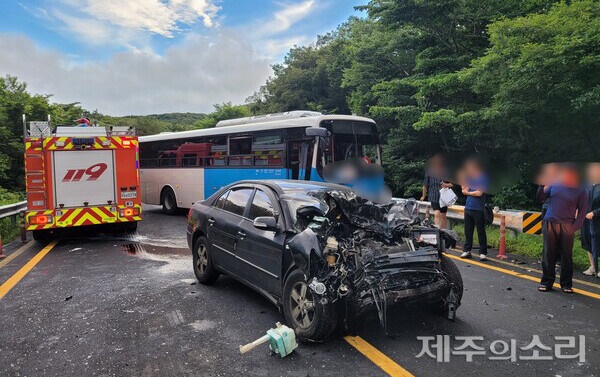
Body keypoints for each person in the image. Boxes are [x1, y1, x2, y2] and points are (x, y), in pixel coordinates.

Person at [538, 164, 588, 293]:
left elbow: (583, 211)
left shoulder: (581, 189)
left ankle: (566, 284)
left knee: (566, 256)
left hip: (567, 225)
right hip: (550, 222)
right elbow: (541, 198)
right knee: (548, 254)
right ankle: (546, 282)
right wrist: (543, 185)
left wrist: (575, 227)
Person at [459, 158, 489, 261]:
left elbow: (479, 193)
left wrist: (468, 192)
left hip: (479, 208)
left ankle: (483, 252)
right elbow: (464, 189)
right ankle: (467, 250)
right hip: (468, 207)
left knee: (481, 231)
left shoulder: (483, 177)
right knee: (468, 230)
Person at [421, 154, 453, 229]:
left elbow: (452, 184)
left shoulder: (446, 171)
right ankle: (437, 232)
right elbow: (425, 185)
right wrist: (423, 196)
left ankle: (443, 232)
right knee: (437, 214)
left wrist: (445, 184)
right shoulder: (429, 172)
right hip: (433, 196)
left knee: (443, 216)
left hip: (443, 197)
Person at [581, 163, 600, 277]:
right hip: (586, 220)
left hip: (598, 220)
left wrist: (595, 212)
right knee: (588, 242)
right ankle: (593, 267)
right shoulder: (587, 185)